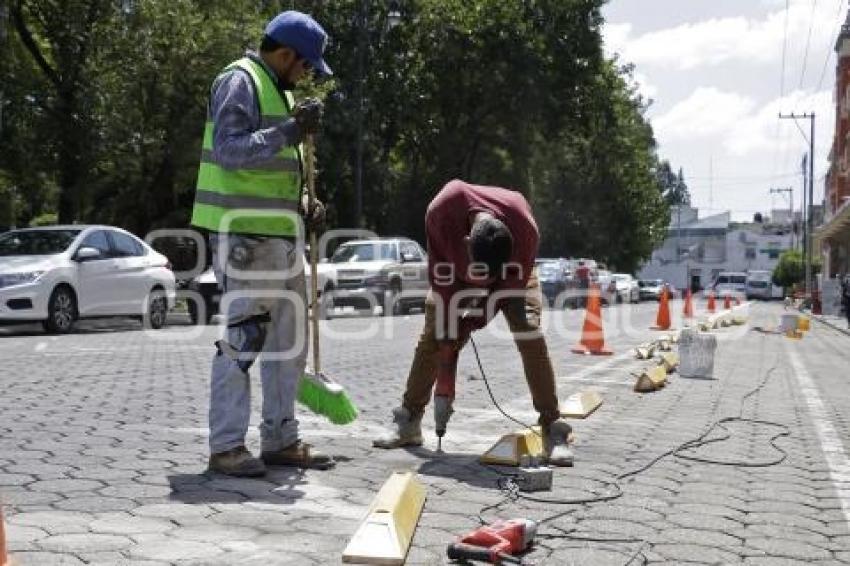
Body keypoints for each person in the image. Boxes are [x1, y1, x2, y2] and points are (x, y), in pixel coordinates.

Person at [190, 10, 333, 477]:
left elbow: (276, 172)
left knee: (288, 342)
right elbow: (231, 151)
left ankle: (280, 438)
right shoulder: (240, 80)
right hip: (247, 237)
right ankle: (227, 446)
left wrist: (306, 201)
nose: (307, 74)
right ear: (286, 54)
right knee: (244, 338)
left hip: (279, 235)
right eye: (306, 65)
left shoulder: (276, 90)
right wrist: (290, 131)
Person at [373, 180, 574, 466]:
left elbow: (503, 293)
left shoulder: (524, 228)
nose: (485, 279)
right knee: (436, 332)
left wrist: (470, 324)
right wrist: (450, 333)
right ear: (467, 242)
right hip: (453, 275)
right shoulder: (442, 212)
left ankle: (553, 429)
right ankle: (409, 420)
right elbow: (441, 283)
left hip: (514, 278)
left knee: (529, 333)